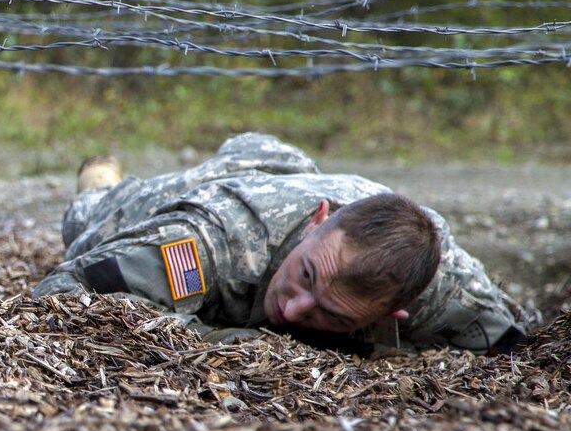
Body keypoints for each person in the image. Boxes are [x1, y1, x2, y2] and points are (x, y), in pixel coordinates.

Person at [33, 133, 536, 354]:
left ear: (395, 314)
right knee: (90, 217)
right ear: (320, 220)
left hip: (306, 181)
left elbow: (518, 345)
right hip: (223, 193)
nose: (294, 310)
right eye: (308, 276)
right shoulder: (213, 241)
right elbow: (63, 291)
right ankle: (99, 176)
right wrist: (220, 340)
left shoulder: (446, 290)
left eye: (333, 315)